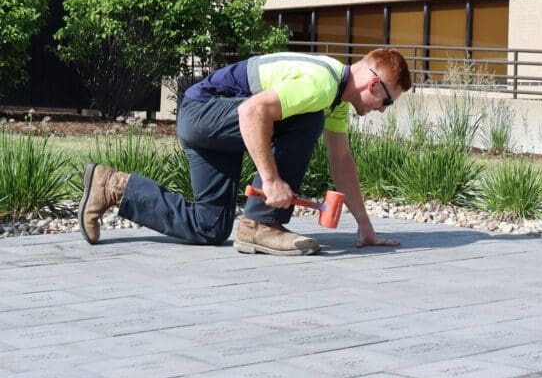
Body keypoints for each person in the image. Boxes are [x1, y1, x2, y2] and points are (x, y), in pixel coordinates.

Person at [78, 47, 412, 256]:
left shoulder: (336, 98)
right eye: (387, 101)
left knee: (210, 226)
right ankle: (262, 224)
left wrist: (364, 226)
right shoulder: (322, 84)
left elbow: (341, 161)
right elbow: (251, 113)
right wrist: (271, 181)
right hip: (204, 113)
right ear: (373, 84)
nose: (383, 110)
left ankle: (114, 186)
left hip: (214, 125)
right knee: (307, 118)